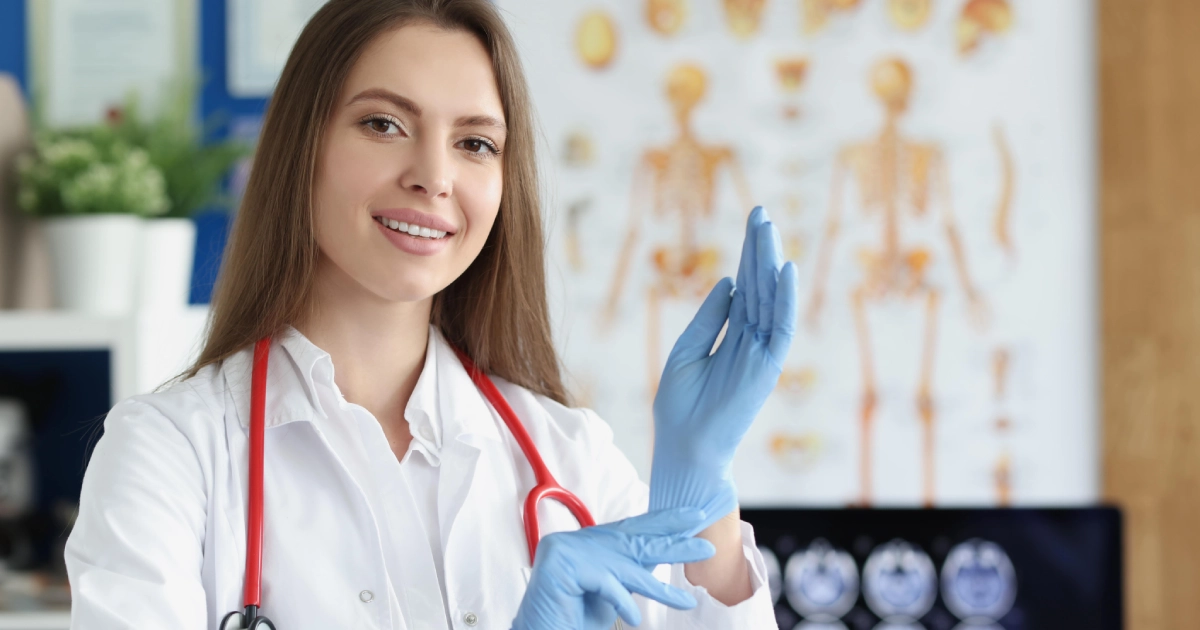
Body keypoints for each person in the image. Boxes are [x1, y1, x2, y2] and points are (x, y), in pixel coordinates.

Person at [64, 1, 798, 628]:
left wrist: (701, 500)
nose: (434, 177)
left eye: (475, 143)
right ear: (302, 147)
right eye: (383, 124)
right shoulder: (168, 456)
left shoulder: (571, 460)